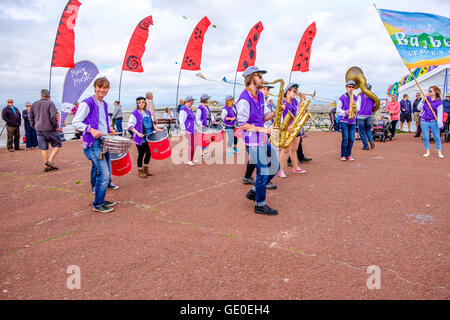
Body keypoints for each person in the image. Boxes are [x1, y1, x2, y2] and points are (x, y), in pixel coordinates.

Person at [236, 66, 280, 215]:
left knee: (276, 165)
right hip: (253, 141)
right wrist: (265, 130)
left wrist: (276, 112)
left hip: (262, 139)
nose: (262, 79)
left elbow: (263, 117)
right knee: (263, 170)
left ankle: (254, 190)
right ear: (251, 78)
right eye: (259, 76)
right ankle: (259, 204)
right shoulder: (244, 99)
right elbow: (242, 124)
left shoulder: (260, 96)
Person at [72, 77, 117, 213]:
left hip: (105, 141)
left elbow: (105, 119)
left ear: (108, 89)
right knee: (104, 174)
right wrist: (90, 130)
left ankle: (100, 199)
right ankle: (97, 204)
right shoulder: (87, 103)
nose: (102, 90)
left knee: (106, 174)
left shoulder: (104, 104)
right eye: (100, 87)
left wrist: (110, 128)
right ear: (95, 87)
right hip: (93, 143)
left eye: (105, 88)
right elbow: (76, 122)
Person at [242, 84, 277, 190]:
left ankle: (248, 178)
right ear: (260, 89)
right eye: (267, 88)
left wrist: (276, 112)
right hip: (258, 134)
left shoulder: (264, 102)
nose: (268, 91)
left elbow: (265, 117)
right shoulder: (251, 100)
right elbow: (244, 123)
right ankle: (261, 184)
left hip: (264, 133)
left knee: (257, 159)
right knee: (264, 161)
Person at [128, 97, 164, 178]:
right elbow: (130, 126)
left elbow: (152, 123)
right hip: (140, 137)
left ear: (145, 103)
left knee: (149, 153)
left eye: (143, 102)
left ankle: (146, 168)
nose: (141, 103)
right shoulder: (134, 113)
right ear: (137, 104)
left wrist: (157, 129)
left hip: (150, 137)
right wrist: (138, 133)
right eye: (139, 102)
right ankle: (140, 170)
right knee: (141, 153)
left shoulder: (148, 112)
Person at [29, 89, 62, 171]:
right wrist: (56, 126)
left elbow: (30, 117)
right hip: (50, 128)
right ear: (49, 96)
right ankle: (49, 161)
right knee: (58, 145)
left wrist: (33, 125)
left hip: (39, 128)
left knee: (43, 147)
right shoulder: (50, 103)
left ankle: (46, 166)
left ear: (41, 96)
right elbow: (53, 116)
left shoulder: (34, 104)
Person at [278, 83, 305, 177]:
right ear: (288, 91)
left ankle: (295, 167)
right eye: (294, 91)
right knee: (286, 150)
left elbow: (299, 113)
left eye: (296, 91)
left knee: (294, 149)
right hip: (286, 128)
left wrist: (302, 101)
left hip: (294, 127)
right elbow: (279, 116)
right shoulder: (282, 102)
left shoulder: (294, 101)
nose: (296, 93)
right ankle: (280, 170)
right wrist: (285, 126)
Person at [418, 86, 444, 159]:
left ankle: (439, 152)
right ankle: (427, 151)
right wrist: (423, 100)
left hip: (433, 121)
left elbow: (440, 114)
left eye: (431, 91)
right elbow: (418, 108)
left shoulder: (439, 102)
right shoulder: (426, 99)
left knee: (436, 137)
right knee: (425, 137)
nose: (429, 92)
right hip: (424, 121)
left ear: (435, 92)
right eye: (428, 90)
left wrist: (440, 123)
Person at [336, 80, 360, 161]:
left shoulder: (356, 98)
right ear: (346, 88)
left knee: (352, 138)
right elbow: (337, 110)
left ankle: (348, 155)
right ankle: (343, 155)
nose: (351, 88)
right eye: (349, 87)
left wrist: (355, 105)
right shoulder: (342, 97)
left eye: (353, 87)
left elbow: (358, 110)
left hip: (352, 120)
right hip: (343, 120)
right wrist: (345, 112)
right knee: (345, 137)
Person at [196, 93, 217, 159]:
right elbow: (197, 118)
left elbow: (210, 115)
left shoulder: (207, 107)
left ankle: (206, 152)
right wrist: (201, 124)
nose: (208, 100)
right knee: (204, 140)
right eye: (207, 99)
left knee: (208, 140)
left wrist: (213, 121)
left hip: (208, 126)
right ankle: (202, 153)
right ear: (205, 99)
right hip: (203, 127)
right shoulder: (200, 108)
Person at [178, 96, 197, 166]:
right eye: (190, 101)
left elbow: (193, 120)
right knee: (192, 144)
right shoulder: (183, 110)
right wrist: (183, 129)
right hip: (188, 130)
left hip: (192, 129)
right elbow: (181, 120)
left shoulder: (189, 109)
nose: (191, 102)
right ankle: (190, 160)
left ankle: (191, 158)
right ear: (186, 102)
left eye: (192, 101)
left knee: (193, 145)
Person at [356, 83, 375, 150]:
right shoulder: (373, 96)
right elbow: (375, 106)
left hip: (361, 116)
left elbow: (357, 107)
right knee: (368, 130)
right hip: (369, 115)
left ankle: (366, 146)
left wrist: (356, 112)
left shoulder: (360, 96)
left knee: (361, 132)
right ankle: (371, 141)